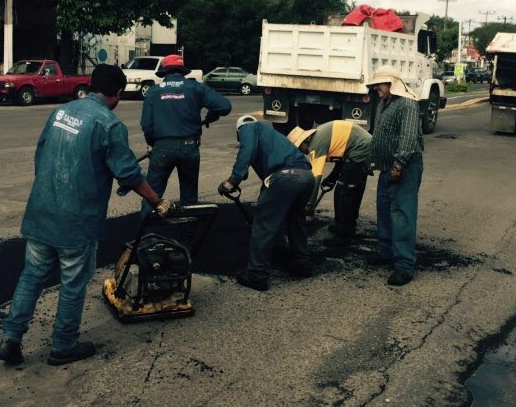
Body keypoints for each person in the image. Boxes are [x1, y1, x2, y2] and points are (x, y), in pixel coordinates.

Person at [0, 65, 171, 367]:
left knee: (32, 276)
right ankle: (63, 345)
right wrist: (157, 201)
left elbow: (41, 154)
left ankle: (11, 339)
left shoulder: (61, 112)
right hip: (75, 221)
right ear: (116, 93)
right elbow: (128, 173)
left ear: (91, 85)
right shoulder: (109, 124)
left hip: (41, 211)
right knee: (72, 282)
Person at [218, 115, 314, 291]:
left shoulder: (248, 128)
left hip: (285, 177)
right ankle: (302, 264)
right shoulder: (269, 134)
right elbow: (252, 159)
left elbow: (247, 151)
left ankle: (257, 275)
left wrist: (232, 181)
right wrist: (241, 176)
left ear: (239, 131)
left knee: (263, 224)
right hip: (306, 177)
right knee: (296, 220)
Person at [140, 54, 231, 207]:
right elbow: (225, 106)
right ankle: (188, 230)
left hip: (162, 148)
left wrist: (151, 143)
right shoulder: (195, 88)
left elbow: (146, 125)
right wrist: (211, 115)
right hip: (189, 147)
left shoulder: (153, 92)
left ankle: (146, 229)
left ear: (164, 72)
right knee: (189, 199)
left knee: (151, 196)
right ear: (183, 71)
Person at [366, 66, 424, 286]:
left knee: (402, 214)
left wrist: (398, 165)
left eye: (380, 84)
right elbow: (379, 133)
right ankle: (386, 251)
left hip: (405, 167)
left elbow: (409, 138)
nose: (375, 88)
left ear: (392, 84)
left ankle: (404, 265)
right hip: (388, 166)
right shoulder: (384, 103)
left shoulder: (407, 104)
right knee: (384, 208)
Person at [287, 121, 372, 242]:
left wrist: (309, 208)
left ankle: (344, 235)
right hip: (358, 148)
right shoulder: (319, 135)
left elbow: (315, 178)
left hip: (361, 149)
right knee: (351, 188)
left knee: (343, 192)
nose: (301, 152)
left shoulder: (316, 144)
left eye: (300, 148)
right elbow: (341, 152)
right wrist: (332, 177)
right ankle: (345, 226)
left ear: (304, 141)